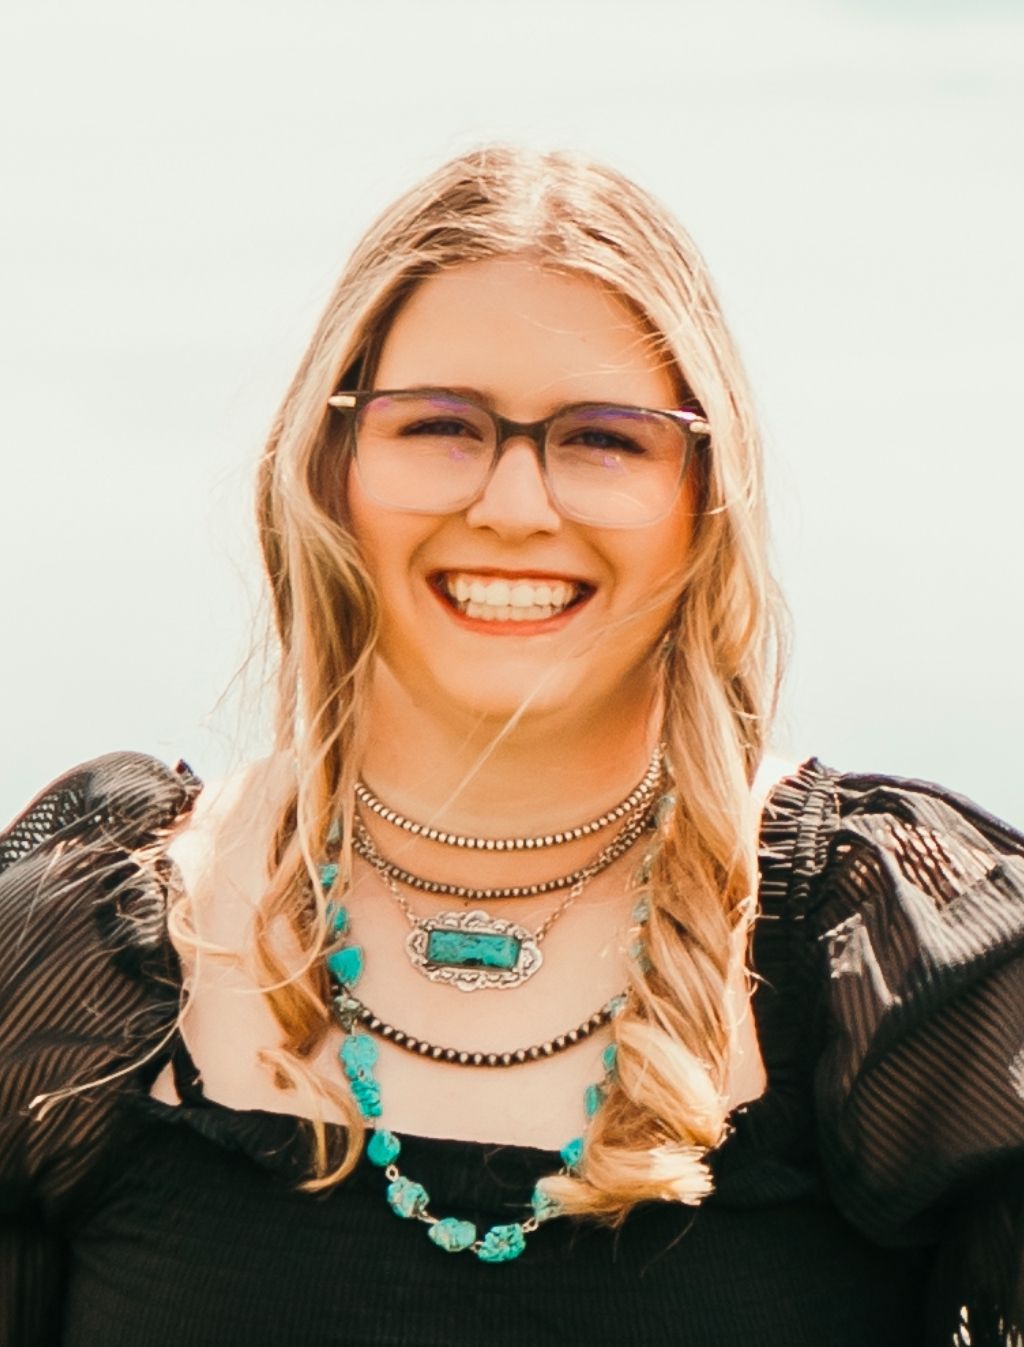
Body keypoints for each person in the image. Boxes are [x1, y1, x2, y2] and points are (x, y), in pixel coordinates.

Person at [1, 145, 1021, 1347]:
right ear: (332, 467)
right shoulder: (82, 950)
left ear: (705, 491)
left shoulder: (907, 965)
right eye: (441, 425)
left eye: (603, 438)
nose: (514, 505)